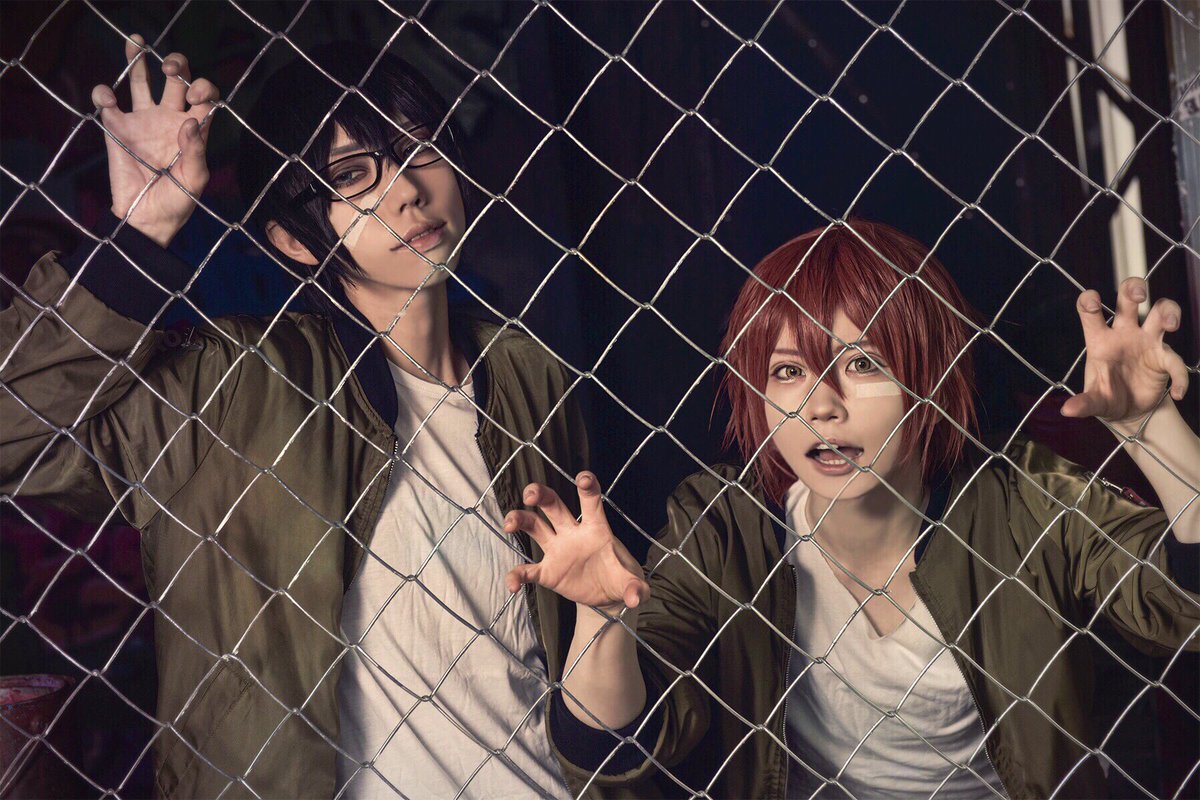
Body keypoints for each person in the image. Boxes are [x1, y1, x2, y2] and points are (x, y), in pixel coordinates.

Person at [1, 35, 587, 799]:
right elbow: (15, 432)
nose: (408, 190)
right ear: (290, 239)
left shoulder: (528, 374)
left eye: (421, 148)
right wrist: (136, 238)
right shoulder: (238, 387)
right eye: (352, 175)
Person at [508, 221, 1200, 798]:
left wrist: (1153, 430)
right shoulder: (725, 528)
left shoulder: (1021, 501)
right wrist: (602, 621)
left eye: (863, 363)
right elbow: (618, 750)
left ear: (930, 376)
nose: (822, 404)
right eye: (788, 371)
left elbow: (1182, 605)